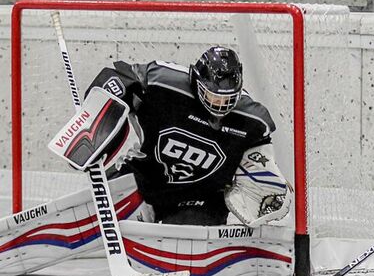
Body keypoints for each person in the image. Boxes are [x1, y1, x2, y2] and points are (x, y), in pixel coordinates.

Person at [85, 45, 291, 228]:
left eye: (227, 98)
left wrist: (271, 183)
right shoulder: (164, 83)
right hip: (144, 179)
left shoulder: (253, 120)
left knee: (186, 232)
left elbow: (261, 162)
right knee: (94, 213)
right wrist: (101, 105)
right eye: (214, 96)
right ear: (196, 81)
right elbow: (122, 76)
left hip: (199, 198)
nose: (219, 104)